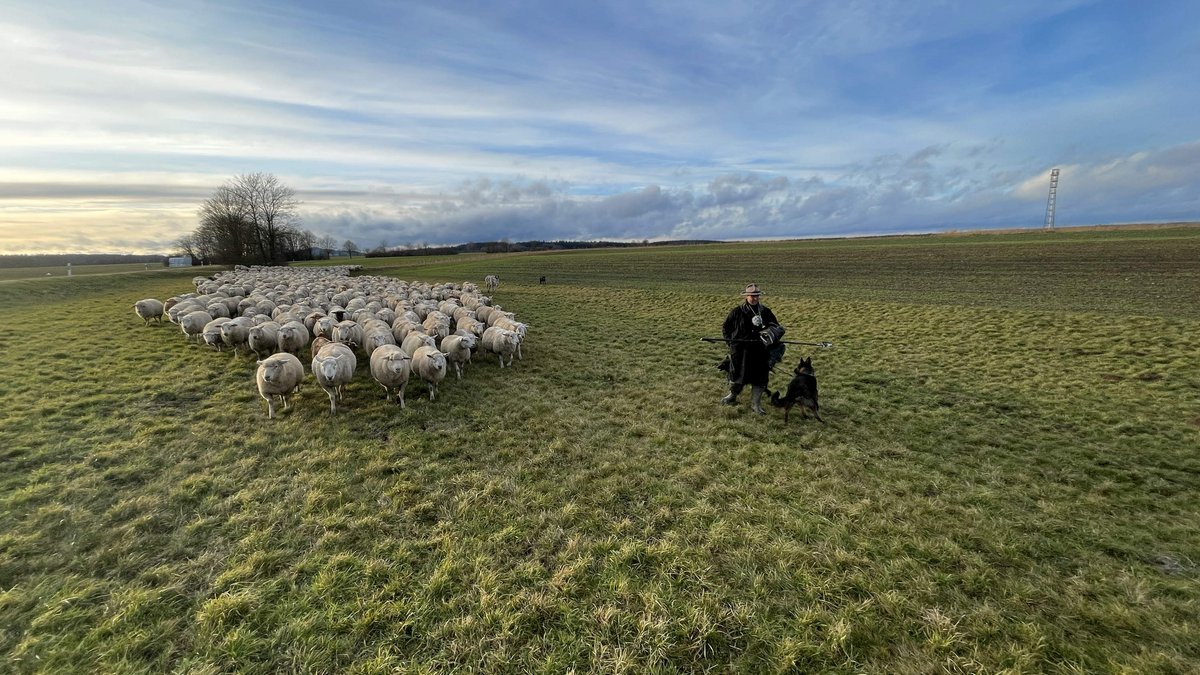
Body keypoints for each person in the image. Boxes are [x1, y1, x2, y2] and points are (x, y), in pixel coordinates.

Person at [720, 283, 783, 414]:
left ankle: (755, 404)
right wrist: (730, 343)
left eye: (756, 296)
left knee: (759, 378)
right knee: (737, 375)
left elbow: (775, 327)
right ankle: (732, 396)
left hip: (760, 352)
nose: (754, 298)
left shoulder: (765, 312)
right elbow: (726, 327)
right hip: (740, 351)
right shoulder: (737, 312)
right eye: (751, 296)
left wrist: (769, 334)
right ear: (746, 296)